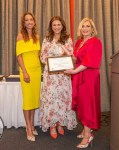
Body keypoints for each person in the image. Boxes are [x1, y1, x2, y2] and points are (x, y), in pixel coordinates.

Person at [64, 18, 102, 148]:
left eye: (88, 26)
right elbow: (77, 58)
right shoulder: (79, 42)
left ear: (92, 29)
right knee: (81, 103)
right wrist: (69, 57)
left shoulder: (95, 42)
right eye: (83, 26)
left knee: (87, 105)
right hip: (79, 75)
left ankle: (88, 136)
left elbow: (88, 62)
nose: (85, 29)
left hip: (89, 77)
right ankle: (86, 129)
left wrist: (74, 71)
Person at [38, 16, 77, 139]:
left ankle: (60, 123)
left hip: (64, 75)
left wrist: (71, 58)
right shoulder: (47, 39)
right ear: (51, 26)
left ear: (62, 25)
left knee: (62, 99)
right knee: (51, 99)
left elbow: (71, 55)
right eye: (54, 25)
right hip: (51, 76)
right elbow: (42, 56)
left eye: (58, 24)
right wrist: (50, 61)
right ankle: (52, 125)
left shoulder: (68, 39)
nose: (56, 27)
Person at [16, 12, 41, 142]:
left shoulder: (37, 36)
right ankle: (28, 128)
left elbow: (38, 55)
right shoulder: (20, 36)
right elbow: (19, 56)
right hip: (26, 71)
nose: (29, 22)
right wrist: (25, 72)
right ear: (24, 23)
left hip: (37, 71)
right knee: (27, 100)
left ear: (34, 22)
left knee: (33, 100)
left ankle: (32, 124)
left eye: (31, 19)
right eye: (27, 20)